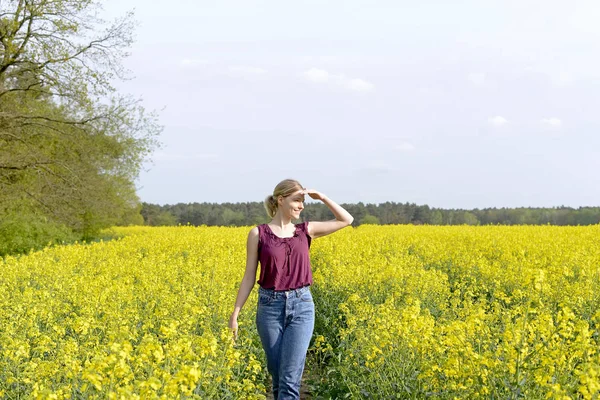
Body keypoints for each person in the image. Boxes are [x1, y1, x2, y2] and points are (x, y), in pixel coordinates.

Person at [228, 178, 354, 399]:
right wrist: (235, 314)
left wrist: (321, 197)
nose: (301, 205)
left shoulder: (306, 230)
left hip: (302, 306)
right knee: (278, 378)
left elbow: (347, 219)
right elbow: (249, 276)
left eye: (303, 201)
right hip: (269, 308)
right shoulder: (258, 234)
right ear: (280, 199)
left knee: (289, 380)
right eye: (297, 200)